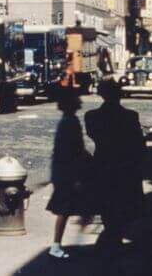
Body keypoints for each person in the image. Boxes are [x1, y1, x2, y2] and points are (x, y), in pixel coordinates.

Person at [84, 79, 144, 249]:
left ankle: (111, 236)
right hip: (125, 164)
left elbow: (93, 134)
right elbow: (138, 142)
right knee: (123, 203)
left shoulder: (92, 116)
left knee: (107, 203)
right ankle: (115, 237)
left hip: (103, 162)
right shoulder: (131, 116)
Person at [46, 90, 91, 259]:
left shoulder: (68, 121)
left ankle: (73, 242)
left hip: (63, 172)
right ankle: (57, 245)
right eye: (76, 98)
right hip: (68, 174)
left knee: (71, 208)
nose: (80, 101)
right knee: (65, 209)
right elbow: (72, 151)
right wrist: (77, 177)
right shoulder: (70, 123)